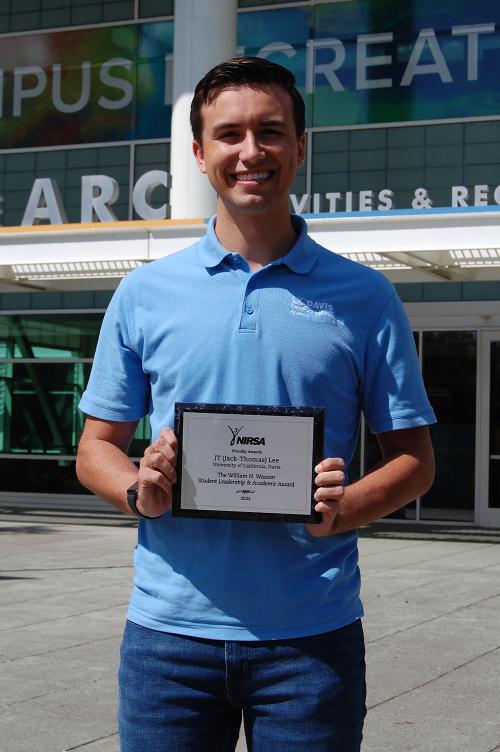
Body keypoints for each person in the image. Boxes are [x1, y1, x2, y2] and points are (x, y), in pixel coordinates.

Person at [76, 56, 436, 752]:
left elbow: (416, 462)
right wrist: (138, 489)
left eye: (270, 132)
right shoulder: (144, 293)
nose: (251, 152)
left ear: (300, 147)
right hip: (167, 640)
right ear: (199, 153)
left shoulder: (366, 298)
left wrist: (347, 507)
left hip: (311, 641)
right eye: (230, 133)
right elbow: (95, 448)